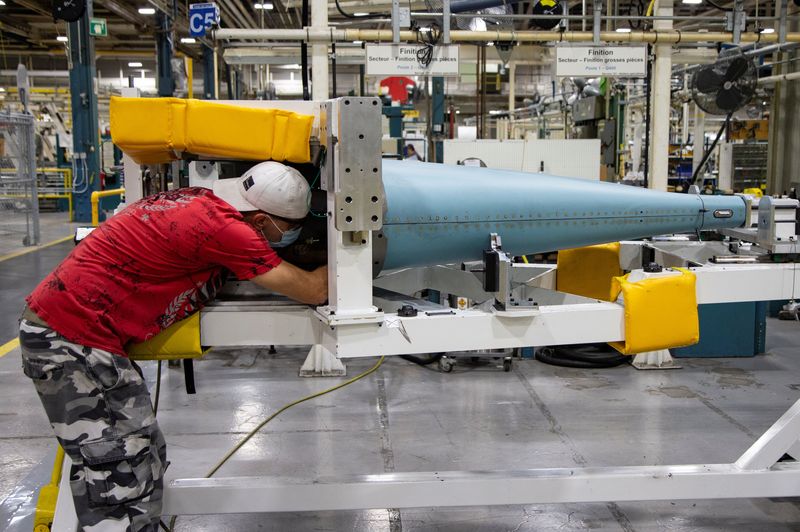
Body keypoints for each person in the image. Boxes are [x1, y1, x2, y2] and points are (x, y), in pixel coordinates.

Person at [19, 161, 328, 531]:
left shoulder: (197, 201)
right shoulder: (231, 231)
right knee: (120, 473)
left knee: (142, 454)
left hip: (77, 334)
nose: (291, 236)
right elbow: (316, 290)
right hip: (72, 339)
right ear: (261, 220)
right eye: (290, 229)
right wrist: (353, 256)